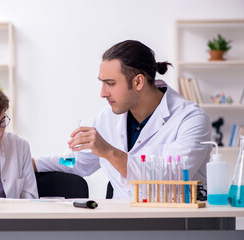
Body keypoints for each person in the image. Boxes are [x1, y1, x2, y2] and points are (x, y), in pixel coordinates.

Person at [33, 40, 212, 199]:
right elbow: (78, 162)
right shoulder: (108, 117)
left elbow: (169, 178)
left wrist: (109, 151)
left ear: (138, 82)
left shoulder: (190, 119)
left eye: (110, 83)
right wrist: (30, 163)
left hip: (174, 224)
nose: (102, 93)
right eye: (101, 83)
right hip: (121, 220)